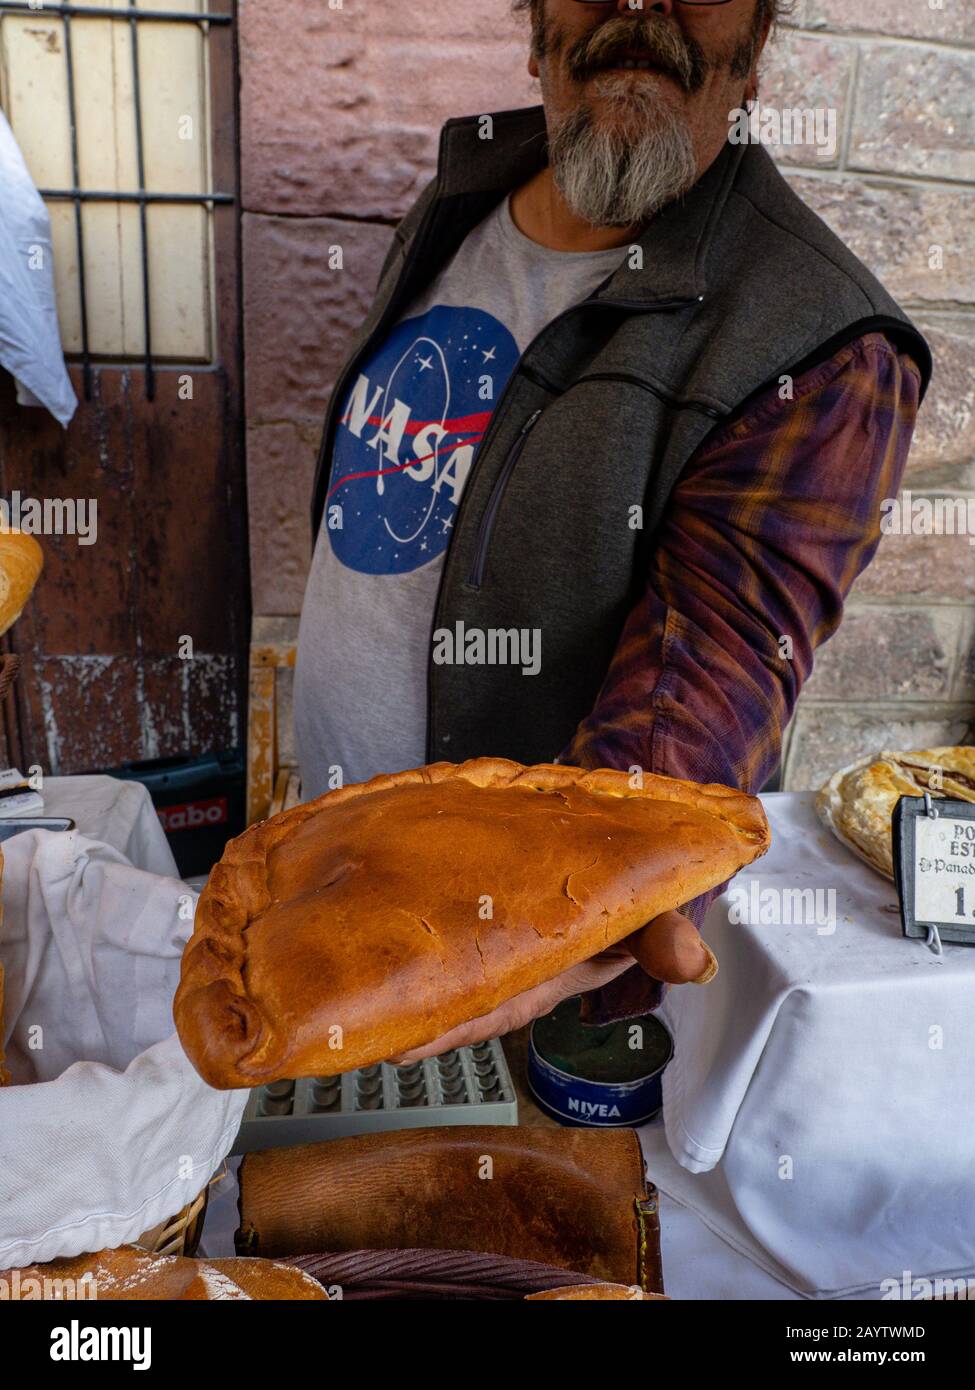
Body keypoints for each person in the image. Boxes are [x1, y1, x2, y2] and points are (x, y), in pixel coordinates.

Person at [293, 0, 931, 1051]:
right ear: (534, 21)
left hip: (510, 977)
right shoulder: (460, 195)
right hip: (333, 884)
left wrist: (556, 914)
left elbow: (706, 675)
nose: (639, 5)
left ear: (760, 38)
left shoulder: (822, 347)